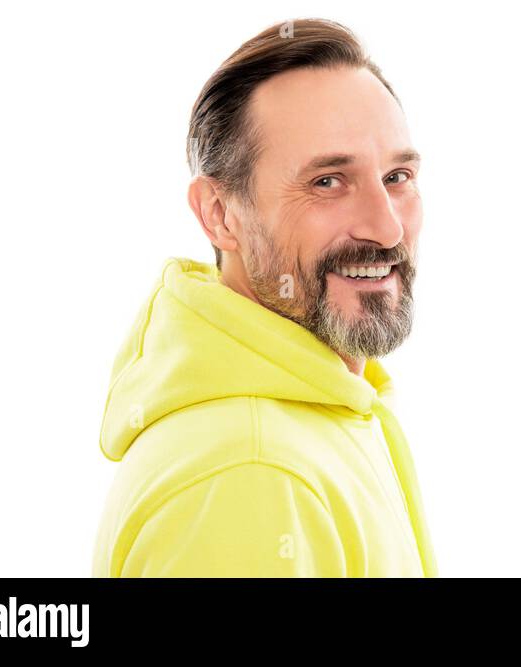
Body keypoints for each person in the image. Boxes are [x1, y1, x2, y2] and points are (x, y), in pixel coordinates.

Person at [91, 18, 437, 577]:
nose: (388, 228)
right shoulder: (252, 473)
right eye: (328, 181)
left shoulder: (322, 414)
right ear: (220, 214)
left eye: (397, 176)